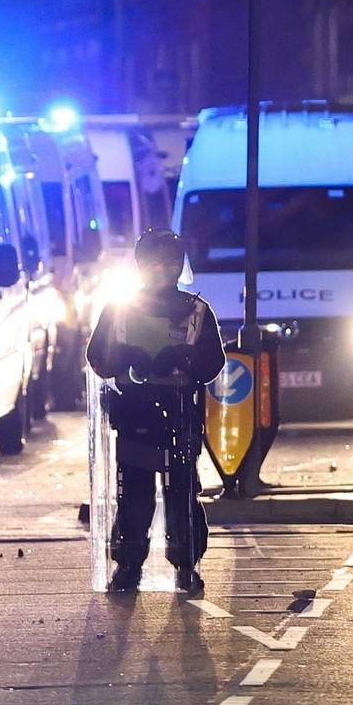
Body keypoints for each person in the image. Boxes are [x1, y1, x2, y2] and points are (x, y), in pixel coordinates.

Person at [87, 229, 225, 594]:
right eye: (155, 262)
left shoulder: (196, 310)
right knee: (133, 494)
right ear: (140, 265)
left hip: (180, 415)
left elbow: (214, 361)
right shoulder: (120, 309)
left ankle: (186, 564)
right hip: (135, 415)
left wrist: (186, 359)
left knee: (182, 493)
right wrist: (126, 357)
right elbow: (97, 356)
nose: (163, 270)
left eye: (171, 262)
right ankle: (129, 565)